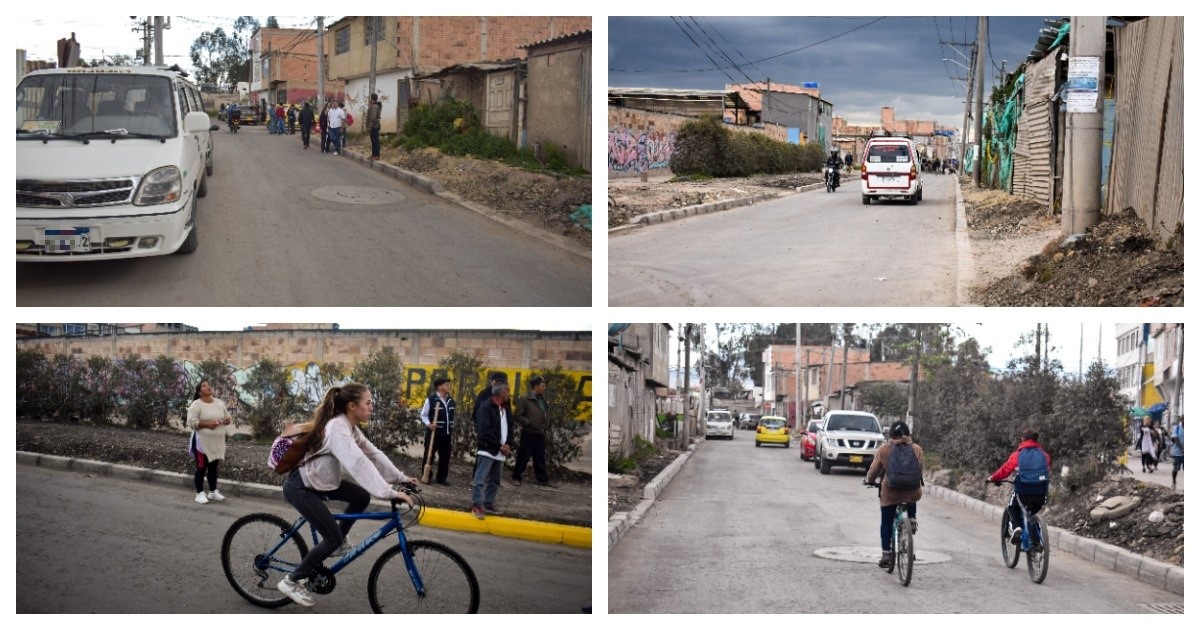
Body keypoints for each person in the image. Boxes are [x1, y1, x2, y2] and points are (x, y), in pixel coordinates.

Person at [277, 383, 417, 608]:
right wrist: (388, 493)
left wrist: (400, 477)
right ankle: (292, 581)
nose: (372, 407)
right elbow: (357, 462)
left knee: (361, 497)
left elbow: (372, 452)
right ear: (352, 406)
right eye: (368, 402)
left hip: (321, 482)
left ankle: (339, 541)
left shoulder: (348, 426)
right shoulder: (337, 429)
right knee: (331, 538)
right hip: (302, 486)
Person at [864, 420, 923, 569]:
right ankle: (912, 518)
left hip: (890, 493)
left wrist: (869, 480)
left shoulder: (884, 449)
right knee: (911, 494)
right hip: (912, 492)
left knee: (886, 521)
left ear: (891, 434)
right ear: (908, 434)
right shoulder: (917, 449)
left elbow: (874, 471)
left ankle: (886, 553)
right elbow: (919, 471)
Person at [989, 428, 1051, 546]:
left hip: (1023, 493)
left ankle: (1017, 528)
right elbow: (1046, 470)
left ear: (1022, 440)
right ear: (1037, 440)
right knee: (1031, 513)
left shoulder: (1017, 455)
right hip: (1041, 494)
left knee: (1012, 507)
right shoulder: (1045, 456)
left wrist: (993, 478)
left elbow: (1005, 470)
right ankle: (1036, 541)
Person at [472, 382, 514, 519]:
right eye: (507, 391)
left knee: (495, 481)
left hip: (500, 451)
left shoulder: (506, 409)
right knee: (480, 479)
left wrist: (508, 443)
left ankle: (489, 504)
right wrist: (498, 445)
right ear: (500, 393)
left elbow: (510, 427)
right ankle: (477, 506)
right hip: (488, 449)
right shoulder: (485, 408)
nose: (509, 394)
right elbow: (484, 430)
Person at [187, 380, 232, 504]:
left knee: (213, 468)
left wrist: (227, 420)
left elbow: (227, 416)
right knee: (201, 468)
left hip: (217, 442)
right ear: (199, 391)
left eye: (208, 384)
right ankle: (199, 493)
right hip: (202, 444)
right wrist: (208, 424)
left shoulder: (219, 403)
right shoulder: (196, 405)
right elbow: (191, 422)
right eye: (204, 385)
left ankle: (212, 492)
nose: (208, 387)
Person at [512, 375, 551, 486]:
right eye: (543, 386)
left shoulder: (542, 400)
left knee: (540, 458)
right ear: (536, 386)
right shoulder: (525, 399)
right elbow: (517, 415)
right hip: (529, 433)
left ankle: (542, 479)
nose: (544, 388)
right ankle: (516, 477)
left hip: (540, 432)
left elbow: (545, 414)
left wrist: (547, 424)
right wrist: (529, 423)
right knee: (523, 456)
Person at [420, 377, 455, 486]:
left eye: (448, 384)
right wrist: (429, 424)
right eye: (446, 384)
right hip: (434, 433)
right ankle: (427, 476)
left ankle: (442, 477)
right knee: (429, 455)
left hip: (447, 433)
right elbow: (423, 415)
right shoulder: (431, 400)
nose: (448, 386)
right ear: (439, 387)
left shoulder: (451, 401)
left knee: (445, 456)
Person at [366, 93, 383, 161]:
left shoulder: (374, 107)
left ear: (371, 98)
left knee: (375, 141)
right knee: (373, 141)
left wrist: (369, 126)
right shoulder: (374, 106)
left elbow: (373, 117)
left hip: (374, 126)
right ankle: (373, 155)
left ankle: (377, 155)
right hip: (374, 126)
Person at [1169, 416, 1184, 491]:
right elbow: (1175, 439)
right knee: (1175, 469)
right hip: (1177, 453)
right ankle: (1174, 482)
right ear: (1181, 420)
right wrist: (1182, 449)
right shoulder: (1177, 428)